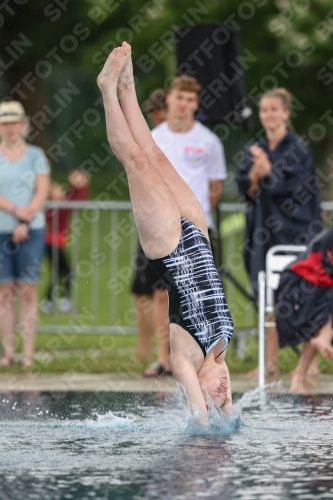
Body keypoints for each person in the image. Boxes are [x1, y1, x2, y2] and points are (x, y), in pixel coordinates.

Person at [97, 42, 233, 420]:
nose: (224, 385)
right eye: (226, 389)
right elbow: (224, 398)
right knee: (155, 153)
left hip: (171, 248)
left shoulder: (186, 361)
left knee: (136, 161)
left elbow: (203, 417)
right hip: (199, 236)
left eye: (217, 391)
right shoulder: (220, 355)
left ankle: (108, 88)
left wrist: (208, 414)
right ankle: (128, 87)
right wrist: (226, 402)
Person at [143, 75, 228, 377]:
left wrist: (197, 217)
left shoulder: (208, 141)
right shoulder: (155, 137)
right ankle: (164, 358)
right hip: (161, 225)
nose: (186, 105)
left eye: (192, 100)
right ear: (169, 99)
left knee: (201, 293)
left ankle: (205, 357)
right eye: (181, 98)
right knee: (161, 293)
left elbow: (215, 186)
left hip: (196, 230)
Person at [235, 88, 322, 380]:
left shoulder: (298, 148)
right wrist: (255, 176)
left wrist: (267, 172)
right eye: (264, 110)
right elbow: (246, 188)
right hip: (264, 234)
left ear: (286, 112)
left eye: (274, 109)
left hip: (298, 233)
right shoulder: (256, 149)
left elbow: (295, 191)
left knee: (306, 293)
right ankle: (269, 363)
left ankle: (310, 364)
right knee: (266, 296)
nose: (268, 115)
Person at [0, 101, 50, 368]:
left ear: (23, 125)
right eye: (4, 123)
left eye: (13, 122)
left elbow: (42, 190)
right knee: (4, 291)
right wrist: (18, 212)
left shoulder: (35, 155)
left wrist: (26, 218)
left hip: (32, 228)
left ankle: (28, 353)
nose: (10, 128)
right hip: (2, 228)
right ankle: (9, 352)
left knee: (28, 289)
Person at [131, 89, 170, 376]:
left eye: (158, 111)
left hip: (172, 223)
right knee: (144, 289)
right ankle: (146, 347)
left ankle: (166, 353)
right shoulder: (150, 139)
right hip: (150, 222)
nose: (155, 117)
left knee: (165, 293)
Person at [275, 227, 333, 393]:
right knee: (321, 319)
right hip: (298, 287)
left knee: (322, 320)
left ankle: (299, 379)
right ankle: (324, 337)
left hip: (319, 290)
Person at [41, 170, 89, 314]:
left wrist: (77, 186)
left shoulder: (58, 206)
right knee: (68, 272)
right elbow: (75, 201)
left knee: (59, 272)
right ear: (52, 195)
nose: (62, 191)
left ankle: (49, 301)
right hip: (52, 244)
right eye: (58, 190)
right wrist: (78, 186)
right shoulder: (54, 209)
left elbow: (73, 199)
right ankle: (62, 301)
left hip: (55, 243)